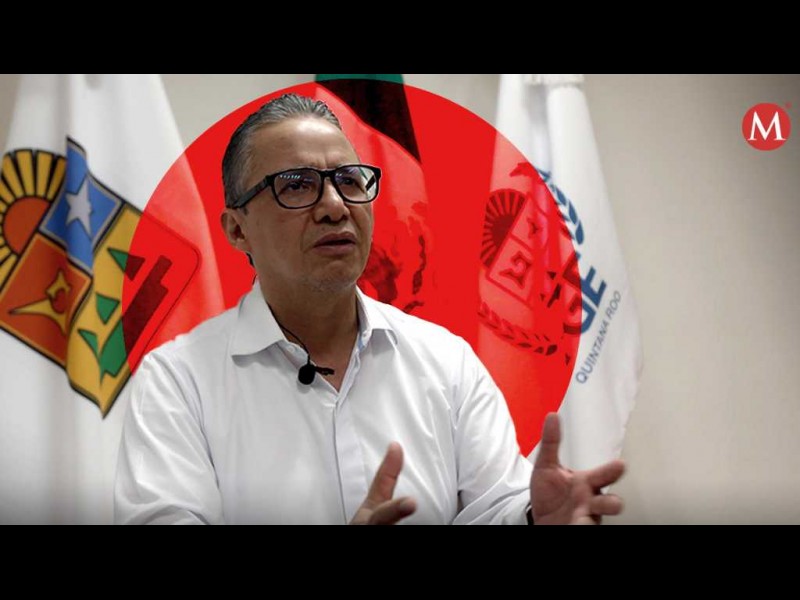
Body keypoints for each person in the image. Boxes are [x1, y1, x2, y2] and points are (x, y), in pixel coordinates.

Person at [114, 93, 625, 525]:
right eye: (297, 185)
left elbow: (494, 507)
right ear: (237, 229)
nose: (335, 206)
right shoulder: (178, 382)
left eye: (350, 181)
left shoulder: (445, 361)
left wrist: (534, 518)